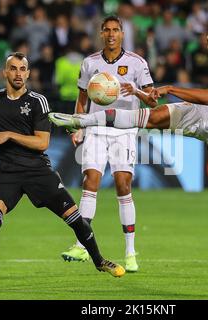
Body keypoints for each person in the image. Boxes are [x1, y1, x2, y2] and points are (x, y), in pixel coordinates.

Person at [49, 20, 208, 267]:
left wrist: (169, 88)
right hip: (202, 115)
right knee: (149, 118)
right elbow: (206, 103)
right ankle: (80, 121)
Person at [0, 52, 125, 291]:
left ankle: (100, 261)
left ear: (28, 74)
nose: (18, 73)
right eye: (13, 68)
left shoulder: (37, 101)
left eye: (23, 69)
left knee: (75, 218)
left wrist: (9, 134)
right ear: (5, 72)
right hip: (3, 172)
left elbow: (42, 143)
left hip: (37, 170)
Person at [59, 16, 157, 273]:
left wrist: (136, 91)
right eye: (107, 30)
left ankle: (130, 251)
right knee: (90, 181)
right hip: (96, 129)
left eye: (116, 30)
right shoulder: (90, 62)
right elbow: (82, 99)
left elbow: (153, 101)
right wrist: (78, 125)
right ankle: (81, 245)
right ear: (101, 34)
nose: (111, 34)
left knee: (123, 185)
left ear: (122, 34)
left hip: (124, 131)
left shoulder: (137, 63)